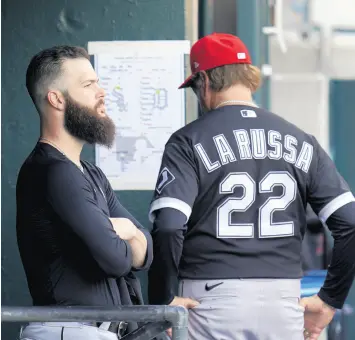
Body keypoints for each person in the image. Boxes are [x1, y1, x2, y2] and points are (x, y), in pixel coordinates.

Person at [147, 33, 355, 340]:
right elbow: (349, 222)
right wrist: (329, 299)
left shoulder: (188, 141)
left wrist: (161, 297)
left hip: (211, 298)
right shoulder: (302, 140)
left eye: (195, 87)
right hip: (283, 300)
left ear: (204, 81)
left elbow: (168, 226)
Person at [16, 45, 153, 340]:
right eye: (88, 85)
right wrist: (123, 235)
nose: (102, 92)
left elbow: (146, 253)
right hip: (70, 331)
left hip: (96, 331)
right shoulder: (53, 171)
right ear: (57, 99)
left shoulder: (91, 173)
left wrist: (126, 230)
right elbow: (116, 260)